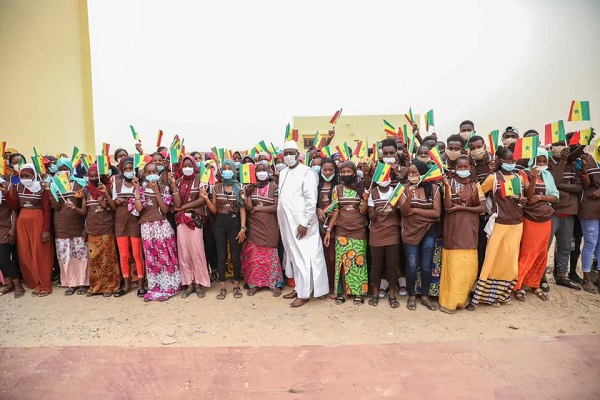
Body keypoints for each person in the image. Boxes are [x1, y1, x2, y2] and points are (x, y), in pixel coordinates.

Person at [472, 145, 526, 307]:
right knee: (493, 258)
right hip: (499, 222)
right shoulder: (493, 178)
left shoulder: (519, 178)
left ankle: (502, 294)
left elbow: (521, 198)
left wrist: (523, 201)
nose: (511, 162)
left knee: (509, 259)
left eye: (513, 160)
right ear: (501, 161)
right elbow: (478, 193)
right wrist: (486, 212)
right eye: (508, 160)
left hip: (516, 222)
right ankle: (486, 295)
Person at [277, 140, 329, 307]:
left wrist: (305, 223)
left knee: (306, 256)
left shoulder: (307, 173)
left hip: (302, 223)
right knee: (293, 256)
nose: (288, 156)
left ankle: (305, 293)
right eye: (285, 153)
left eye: (291, 152)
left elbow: (311, 199)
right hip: (287, 223)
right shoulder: (283, 173)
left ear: (298, 154)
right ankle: (299, 287)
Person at [440, 156, 486, 313]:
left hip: (470, 230)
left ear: (471, 167)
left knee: (468, 267)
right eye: (460, 167)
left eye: (465, 166)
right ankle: (449, 302)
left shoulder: (475, 186)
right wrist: (446, 187)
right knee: (453, 267)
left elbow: (483, 208)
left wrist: (461, 208)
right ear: (455, 168)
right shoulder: (449, 183)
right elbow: (447, 207)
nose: (463, 170)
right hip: (453, 230)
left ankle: (463, 299)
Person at [132, 162, 181, 301]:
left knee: (165, 256)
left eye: (155, 171)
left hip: (161, 226)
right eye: (149, 172)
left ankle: (169, 286)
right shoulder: (140, 189)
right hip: (147, 228)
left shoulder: (164, 188)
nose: (152, 174)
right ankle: (155, 287)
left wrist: (156, 192)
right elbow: (139, 209)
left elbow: (165, 210)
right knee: (152, 258)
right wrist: (136, 189)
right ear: (145, 174)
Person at [515, 149, 558, 301]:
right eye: (538, 161)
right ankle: (518, 285)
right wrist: (533, 179)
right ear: (532, 161)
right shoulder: (523, 174)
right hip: (530, 217)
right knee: (527, 251)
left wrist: (540, 197)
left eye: (543, 161)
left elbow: (555, 196)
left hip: (545, 218)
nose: (541, 164)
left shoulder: (547, 175)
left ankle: (535, 283)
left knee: (541, 252)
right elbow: (528, 194)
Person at [324, 161, 370, 306]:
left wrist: (366, 200)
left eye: (348, 172)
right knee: (343, 263)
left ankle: (358, 293)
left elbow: (363, 211)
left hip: (358, 230)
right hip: (341, 231)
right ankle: (343, 292)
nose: (345, 175)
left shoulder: (361, 188)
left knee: (358, 262)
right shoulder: (337, 189)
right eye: (343, 172)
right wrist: (329, 230)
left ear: (354, 173)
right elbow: (336, 210)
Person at [399, 160, 442, 311]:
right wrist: (409, 198)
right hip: (410, 231)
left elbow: (437, 213)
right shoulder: (404, 189)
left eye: (415, 173)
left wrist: (415, 211)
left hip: (428, 230)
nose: (412, 175)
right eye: (410, 173)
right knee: (411, 265)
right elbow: (404, 212)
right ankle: (411, 296)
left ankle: (425, 296)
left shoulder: (434, 189)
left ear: (423, 173)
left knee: (425, 265)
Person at [201, 159, 247, 300]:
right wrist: (206, 199)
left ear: (234, 170)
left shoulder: (238, 187)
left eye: (230, 168)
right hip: (220, 223)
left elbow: (242, 209)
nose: (227, 170)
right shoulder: (217, 187)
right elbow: (214, 210)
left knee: (235, 256)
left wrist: (243, 228)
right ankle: (222, 287)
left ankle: (236, 285)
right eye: (225, 168)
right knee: (221, 256)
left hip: (235, 223)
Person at [7, 164, 54, 296]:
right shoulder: (18, 187)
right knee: (25, 253)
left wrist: (46, 230)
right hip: (22, 222)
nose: (24, 178)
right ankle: (34, 282)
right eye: (22, 176)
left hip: (38, 221)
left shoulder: (41, 188)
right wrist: (6, 193)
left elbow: (46, 209)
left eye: (27, 176)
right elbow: (14, 206)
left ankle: (44, 284)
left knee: (39, 253)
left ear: (33, 175)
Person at [240, 161, 283, 296]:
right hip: (255, 226)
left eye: (263, 169)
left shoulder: (274, 186)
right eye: (258, 170)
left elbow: (276, 207)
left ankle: (273, 284)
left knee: (271, 255)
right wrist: (243, 197)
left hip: (270, 226)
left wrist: (257, 208)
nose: (261, 172)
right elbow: (249, 208)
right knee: (255, 256)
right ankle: (254, 284)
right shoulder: (250, 188)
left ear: (268, 171)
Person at [78, 164, 121, 297]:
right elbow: (85, 212)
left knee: (108, 260)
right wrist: (83, 226)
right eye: (91, 176)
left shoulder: (109, 187)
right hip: (92, 230)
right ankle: (96, 287)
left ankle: (110, 286)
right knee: (95, 260)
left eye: (96, 175)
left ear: (101, 175)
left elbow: (114, 209)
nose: (94, 178)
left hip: (107, 228)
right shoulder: (85, 191)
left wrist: (105, 198)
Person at [48, 158, 89, 296]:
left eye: (65, 168)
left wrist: (85, 226)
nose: (63, 171)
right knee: (66, 256)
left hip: (77, 224)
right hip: (62, 225)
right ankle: (71, 283)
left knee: (81, 255)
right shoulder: (55, 185)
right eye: (60, 169)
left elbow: (84, 209)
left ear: (71, 168)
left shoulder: (80, 183)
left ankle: (83, 282)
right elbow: (57, 207)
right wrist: (49, 191)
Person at [174, 156, 211, 298]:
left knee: (197, 251)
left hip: (195, 219)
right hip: (181, 221)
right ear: (181, 167)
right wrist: (173, 186)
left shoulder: (201, 179)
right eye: (185, 165)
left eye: (190, 165)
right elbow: (176, 204)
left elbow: (202, 199)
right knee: (184, 252)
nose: (187, 167)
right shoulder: (177, 182)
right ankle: (188, 283)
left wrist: (183, 207)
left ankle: (199, 283)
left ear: (195, 166)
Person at [548, 142, 582, 290]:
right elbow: (553, 182)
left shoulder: (574, 164)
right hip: (552, 212)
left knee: (565, 246)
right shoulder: (547, 162)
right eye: (557, 144)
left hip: (568, 212)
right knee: (545, 246)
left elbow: (579, 187)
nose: (560, 148)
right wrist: (562, 161)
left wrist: (559, 186)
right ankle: (540, 276)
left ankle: (562, 276)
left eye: (563, 144)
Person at [367, 172, 401, 308]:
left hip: (392, 232)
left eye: (386, 177)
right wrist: (375, 213)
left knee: (392, 265)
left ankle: (392, 294)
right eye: (381, 177)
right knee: (376, 266)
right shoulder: (372, 192)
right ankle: (375, 293)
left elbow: (401, 212)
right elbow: (370, 215)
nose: (384, 180)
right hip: (376, 232)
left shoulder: (395, 192)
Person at [112, 157, 144, 296]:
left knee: (137, 254)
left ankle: (142, 283)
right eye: (126, 169)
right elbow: (113, 206)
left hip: (134, 222)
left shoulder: (139, 184)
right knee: (124, 255)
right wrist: (118, 201)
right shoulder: (117, 184)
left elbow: (140, 205)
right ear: (122, 170)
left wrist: (136, 188)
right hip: (120, 222)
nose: (129, 171)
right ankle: (126, 284)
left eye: (131, 168)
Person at [578, 150, 600, 293]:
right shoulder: (589, 160)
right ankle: (587, 278)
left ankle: (598, 278)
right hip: (590, 207)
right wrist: (585, 167)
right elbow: (585, 185)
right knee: (591, 242)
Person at [316, 158, 338, 297]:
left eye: (331, 170)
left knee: (332, 258)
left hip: (334, 226)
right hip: (318, 227)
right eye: (325, 170)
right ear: (321, 171)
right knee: (321, 258)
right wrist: (317, 209)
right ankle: (322, 286)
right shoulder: (316, 187)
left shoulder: (338, 186)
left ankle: (333, 285)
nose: (328, 172)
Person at [0, 177, 24, 297]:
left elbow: (14, 209)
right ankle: (9, 284)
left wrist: (13, 228)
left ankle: (18, 284)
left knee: (4, 258)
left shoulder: (8, 186)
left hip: (6, 226)